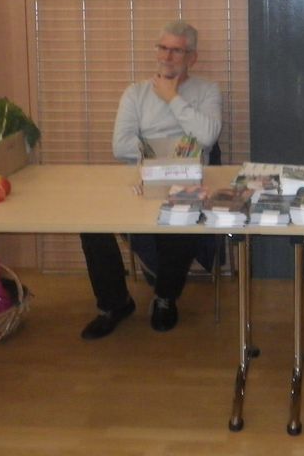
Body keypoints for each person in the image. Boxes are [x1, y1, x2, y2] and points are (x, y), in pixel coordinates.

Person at [79, 19, 222, 339]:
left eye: (177, 51)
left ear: (192, 58)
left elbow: (207, 137)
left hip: (188, 183)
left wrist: (172, 97)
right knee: (91, 224)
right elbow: (120, 146)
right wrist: (168, 154)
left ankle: (165, 298)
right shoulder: (136, 93)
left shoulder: (207, 91)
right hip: (141, 179)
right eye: (163, 48)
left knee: (181, 216)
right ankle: (115, 303)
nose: (167, 57)